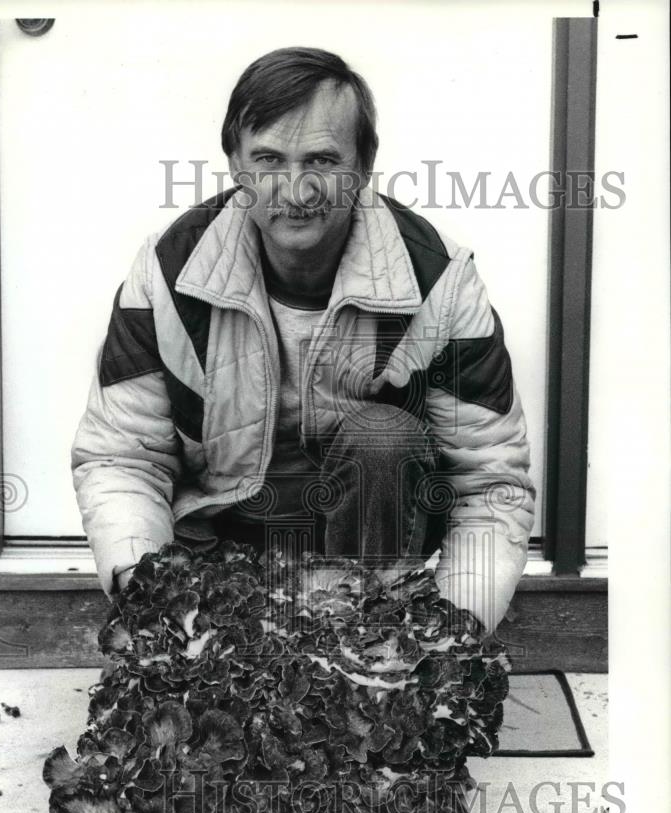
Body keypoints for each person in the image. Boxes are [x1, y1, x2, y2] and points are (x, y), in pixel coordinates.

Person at [71, 47, 535, 634]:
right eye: (268, 159)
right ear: (236, 166)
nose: (297, 189)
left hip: (369, 558)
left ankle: (375, 642)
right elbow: (123, 456)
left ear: (364, 167)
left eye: (322, 159)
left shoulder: (437, 280)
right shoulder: (170, 271)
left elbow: (490, 482)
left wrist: (451, 630)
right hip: (216, 549)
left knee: (384, 439)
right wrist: (149, 598)